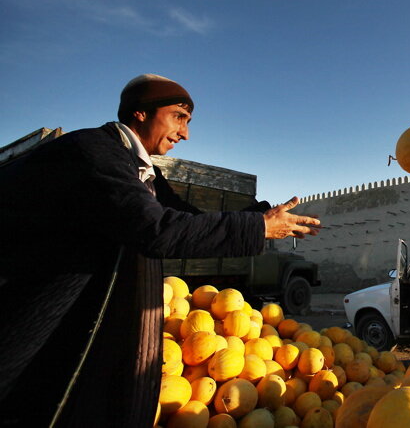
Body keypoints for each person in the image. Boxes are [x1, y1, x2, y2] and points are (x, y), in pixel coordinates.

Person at [0, 74, 321, 427]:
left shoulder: (138, 168)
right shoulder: (93, 152)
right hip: (32, 312)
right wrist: (259, 228)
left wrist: (258, 217)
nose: (185, 134)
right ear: (140, 113)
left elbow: (186, 218)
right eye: (178, 117)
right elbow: (156, 229)